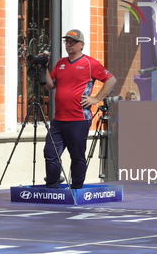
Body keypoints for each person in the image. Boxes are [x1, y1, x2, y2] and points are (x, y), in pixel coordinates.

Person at [43, 29, 116, 189]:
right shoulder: (61, 63)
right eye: (66, 42)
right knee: (50, 152)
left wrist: (96, 98)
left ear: (81, 45)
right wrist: (44, 68)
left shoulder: (90, 63)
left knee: (76, 156)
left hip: (79, 119)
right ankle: (52, 185)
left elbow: (111, 80)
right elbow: (50, 86)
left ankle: (76, 188)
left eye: (72, 42)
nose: (68, 44)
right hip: (59, 119)